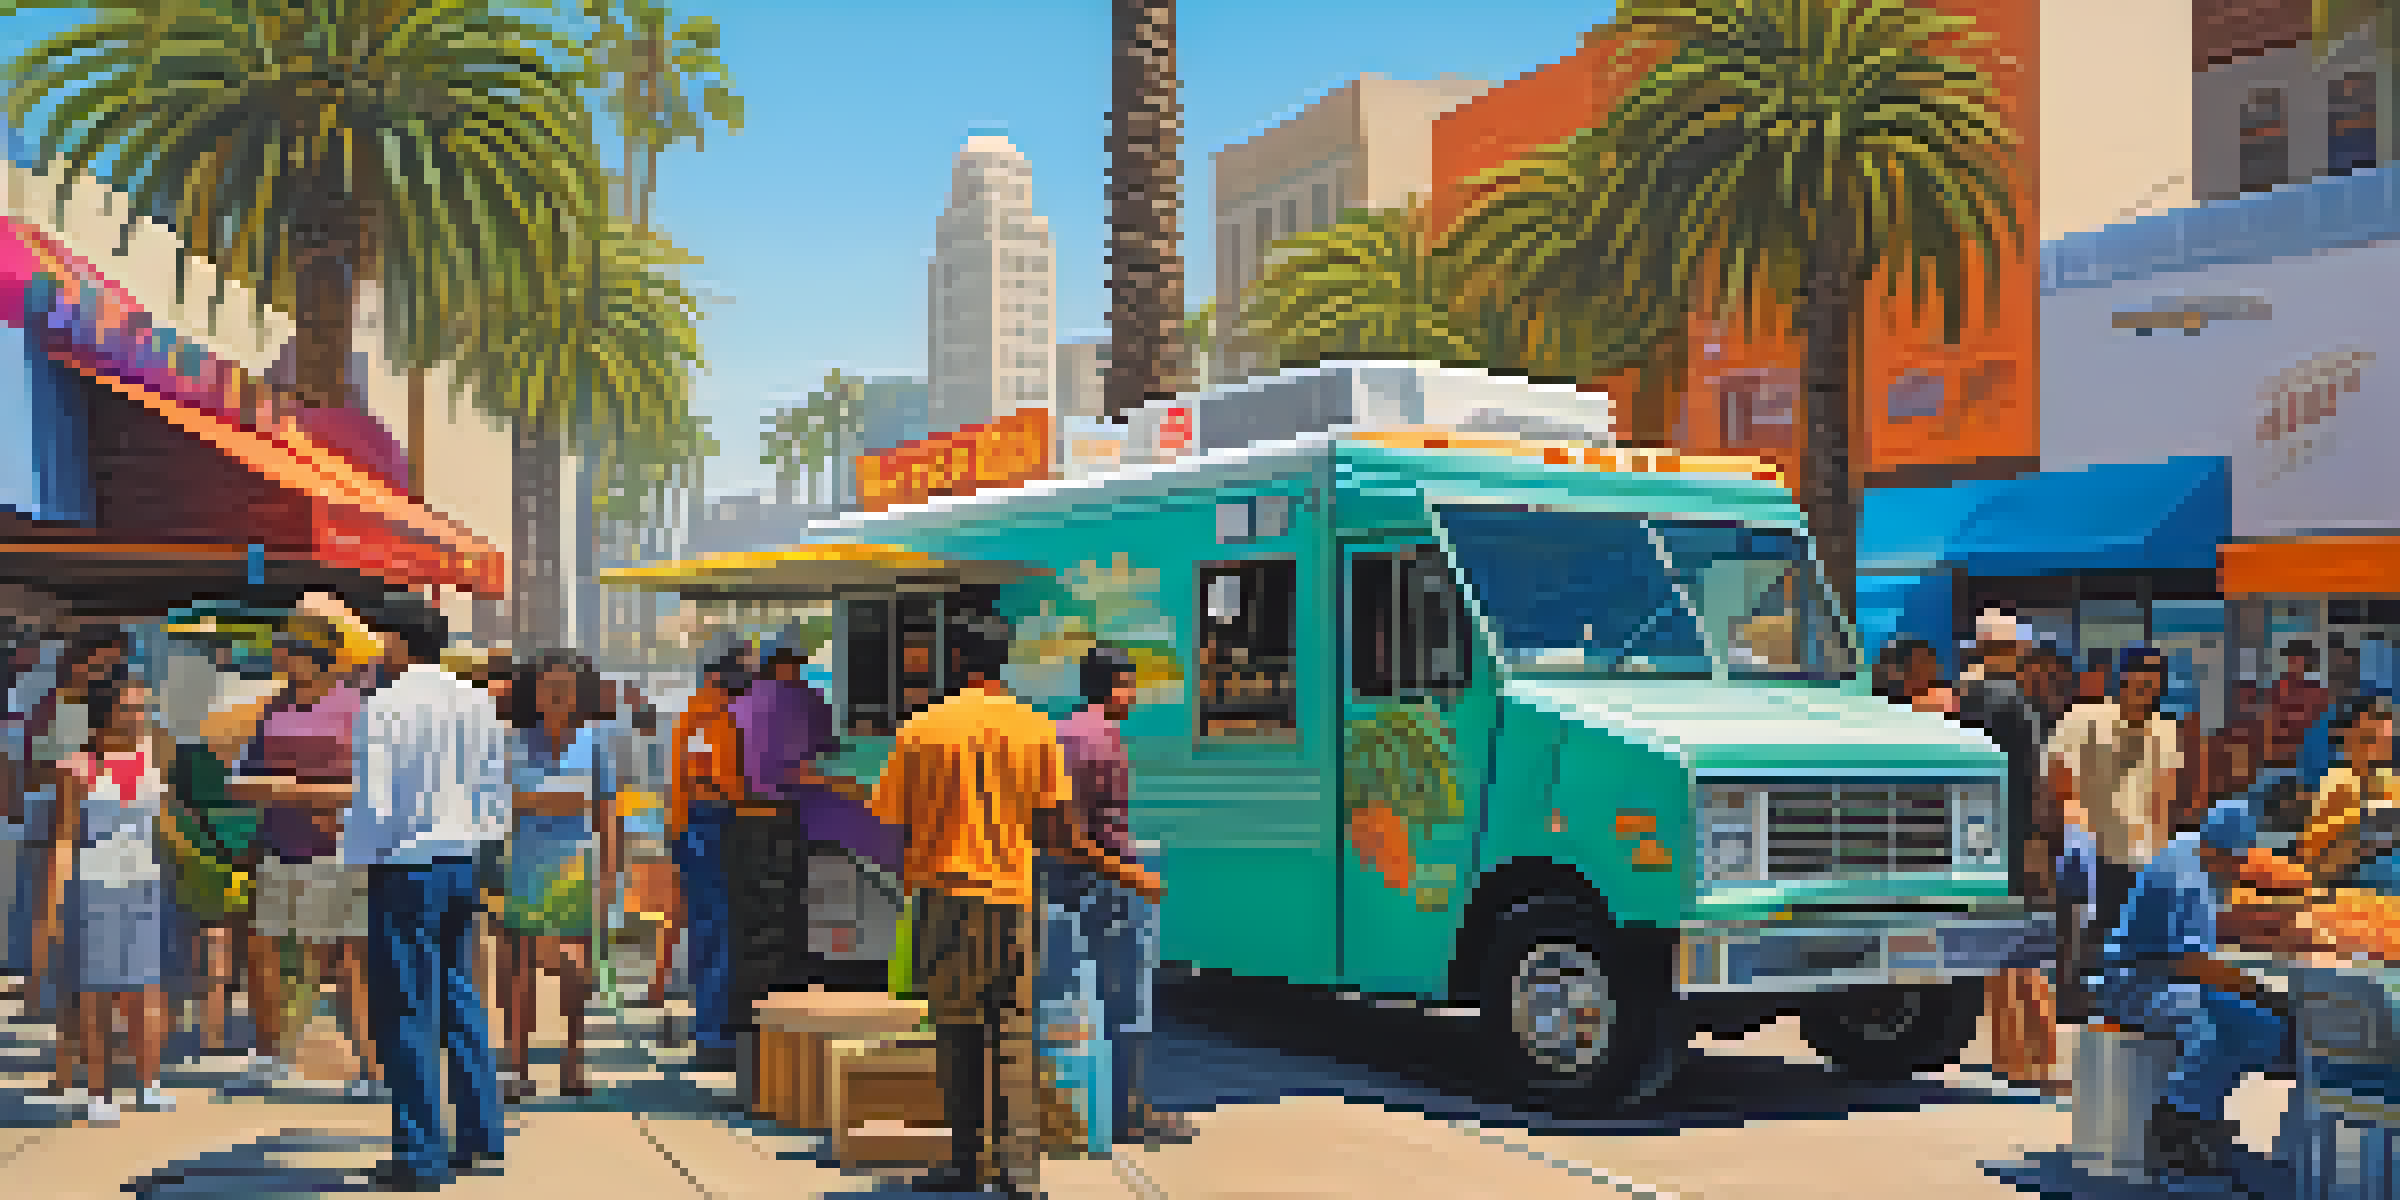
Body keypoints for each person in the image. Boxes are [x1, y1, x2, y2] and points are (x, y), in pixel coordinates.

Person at [869, 618, 1162, 1200]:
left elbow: (890, 824)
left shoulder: (922, 729)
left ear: (955, 658)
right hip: (1013, 899)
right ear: (1004, 661)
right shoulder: (1035, 730)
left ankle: (963, 1162)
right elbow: (1059, 833)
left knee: (957, 1032)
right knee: (1012, 1029)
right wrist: (1127, 872)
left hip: (948, 897)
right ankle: (1018, 1171)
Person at [338, 593, 508, 1191]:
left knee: (406, 1008)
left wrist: (360, 859)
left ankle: (420, 1155)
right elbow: (495, 792)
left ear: (398, 643)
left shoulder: (383, 706)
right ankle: (482, 1137)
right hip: (462, 862)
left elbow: (375, 803)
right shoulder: (478, 702)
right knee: (460, 999)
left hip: (406, 865)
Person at [2088, 784, 2316, 1180]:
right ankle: (2173, 1126)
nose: (2238, 872)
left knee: (2251, 1024)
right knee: (2216, 1025)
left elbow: (2206, 938)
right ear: (2220, 850)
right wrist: (2264, 991)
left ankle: (2203, 1115)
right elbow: (2193, 963)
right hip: (2130, 983)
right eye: (2237, 863)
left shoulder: (2194, 854)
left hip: (2163, 975)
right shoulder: (2184, 876)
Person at [222, 618, 383, 1099]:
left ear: (316, 657)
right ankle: (273, 1054)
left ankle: (372, 1065)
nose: (279, 656)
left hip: (339, 853)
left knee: (347, 961)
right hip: (277, 849)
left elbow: (371, 788)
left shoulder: (357, 709)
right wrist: (269, 791)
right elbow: (243, 776)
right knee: (266, 955)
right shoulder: (274, 707)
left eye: (287, 649)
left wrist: (298, 791)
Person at [1050, 648, 1191, 1145]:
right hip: (1105, 881)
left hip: (1061, 879)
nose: (1133, 697)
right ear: (1110, 687)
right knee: (1125, 999)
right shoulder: (1105, 740)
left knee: (1068, 1000)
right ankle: (1127, 1112)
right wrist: (1134, 876)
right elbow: (1101, 830)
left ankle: (1081, 1106)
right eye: (1129, 686)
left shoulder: (1061, 733)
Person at [731, 635, 895, 1003]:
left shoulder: (738, 705)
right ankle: (795, 986)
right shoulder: (802, 699)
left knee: (753, 914)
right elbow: (824, 752)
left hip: (740, 817)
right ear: (789, 664)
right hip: (788, 815)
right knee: (790, 907)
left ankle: (756, 1002)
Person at [43, 676, 177, 1125]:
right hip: (93, 887)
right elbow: (63, 840)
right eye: (131, 707)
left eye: (143, 706)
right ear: (106, 715)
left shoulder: (153, 756)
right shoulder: (75, 768)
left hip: (146, 885)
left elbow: (164, 825)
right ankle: (98, 1091)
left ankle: (150, 1081)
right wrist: (54, 907)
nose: (141, 715)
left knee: (146, 991)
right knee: (96, 995)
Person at [495, 650, 620, 1100]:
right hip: (524, 864)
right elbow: (499, 802)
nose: (556, 696)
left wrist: (611, 876)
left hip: (575, 866)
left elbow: (607, 813)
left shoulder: (595, 741)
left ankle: (573, 1058)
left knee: (577, 969)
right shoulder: (512, 741)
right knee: (517, 969)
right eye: (549, 687)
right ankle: (517, 1064)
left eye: (565, 688)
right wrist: (551, 800)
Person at [1949, 614, 2064, 1097]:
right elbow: (2038, 779)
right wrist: (2045, 834)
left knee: (1997, 948)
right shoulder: (2016, 703)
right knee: (2030, 947)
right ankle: (2039, 1058)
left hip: (1974, 835)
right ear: (2011, 651)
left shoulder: (1961, 699)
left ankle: (2006, 1055)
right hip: (2016, 834)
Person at [2049, 646, 2183, 1023]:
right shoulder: (2083, 718)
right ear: (2121, 681)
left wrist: (2163, 857)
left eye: (2154, 683)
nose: (2146, 690)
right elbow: (2060, 781)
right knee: (2078, 932)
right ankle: (2070, 996)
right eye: (2138, 681)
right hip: (2090, 848)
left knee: (2127, 938)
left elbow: (2163, 796)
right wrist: (2075, 834)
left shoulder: (2163, 727)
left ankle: (2121, 1001)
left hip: (2138, 854)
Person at [665, 640, 748, 1062]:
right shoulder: (709, 715)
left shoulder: (704, 713)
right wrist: (749, 798)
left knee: (711, 929)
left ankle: (712, 1027)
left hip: (697, 827)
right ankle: (713, 1034)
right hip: (707, 826)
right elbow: (707, 780)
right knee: (717, 930)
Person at [2267, 640, 2332, 768]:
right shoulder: (2277, 688)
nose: (2294, 663)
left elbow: (2314, 722)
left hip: (2307, 753)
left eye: (2298, 659)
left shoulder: (2316, 691)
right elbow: (2271, 720)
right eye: (2290, 658)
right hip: (2278, 752)